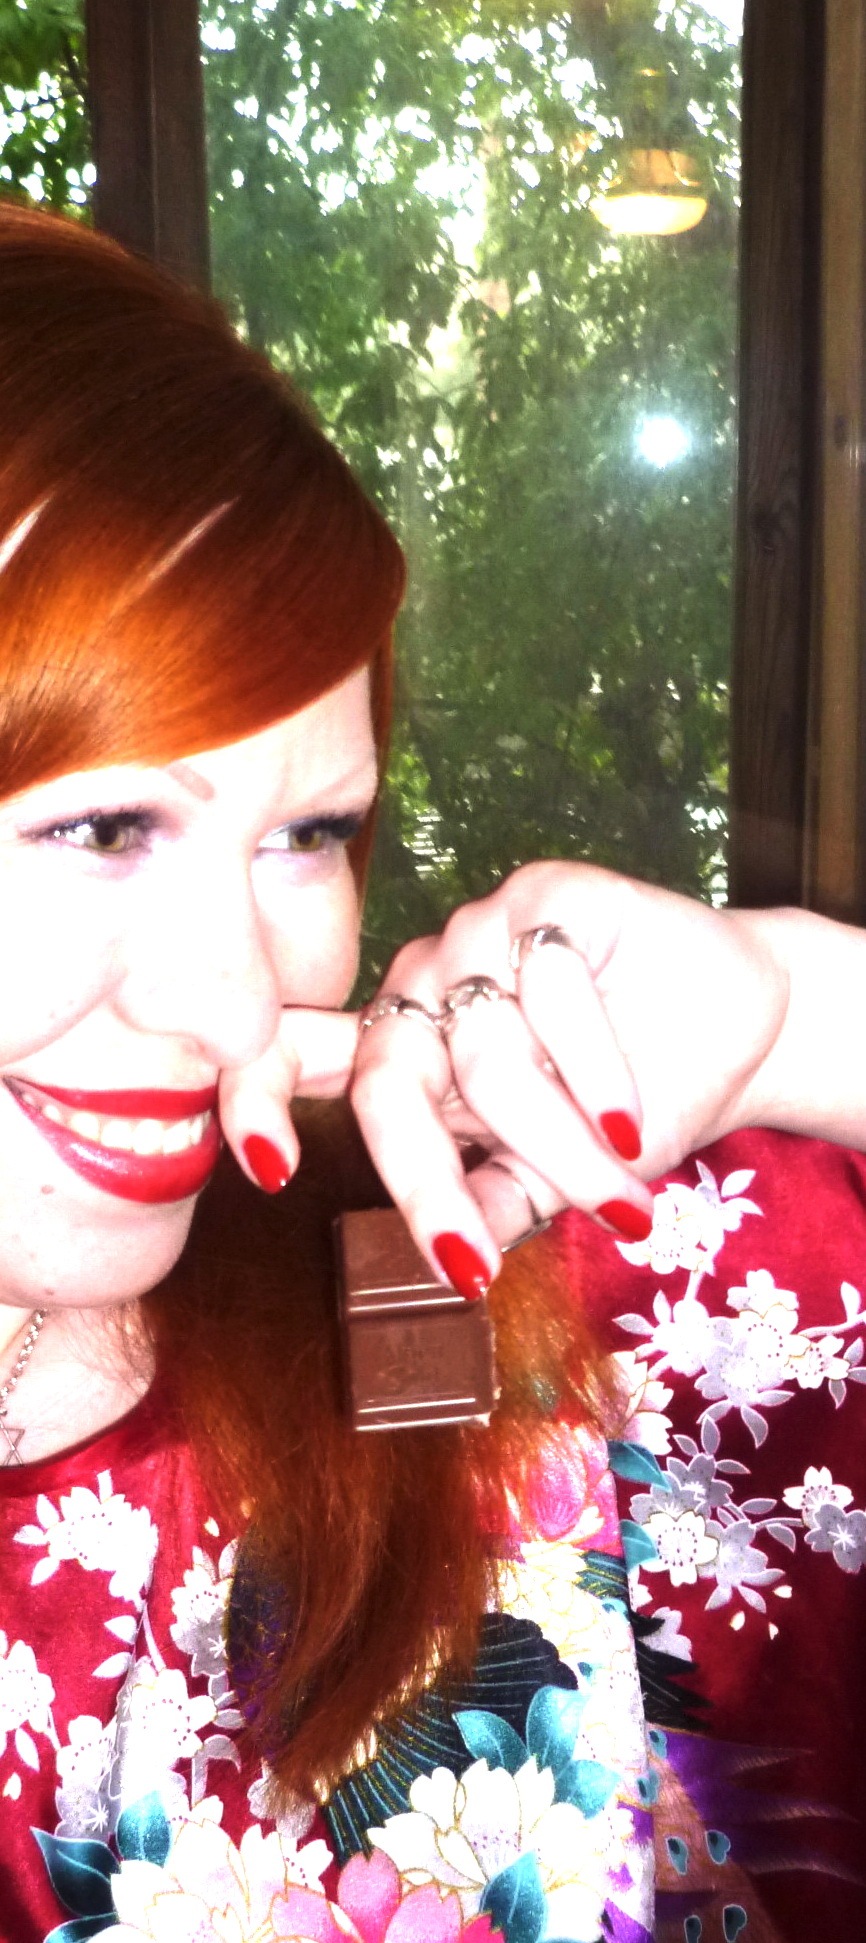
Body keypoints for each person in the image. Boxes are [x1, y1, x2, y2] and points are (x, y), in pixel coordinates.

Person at [1, 199, 864, 1943]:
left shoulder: (479, 1277)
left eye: (309, 833)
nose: (238, 1001)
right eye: (103, 826)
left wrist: (799, 1008)